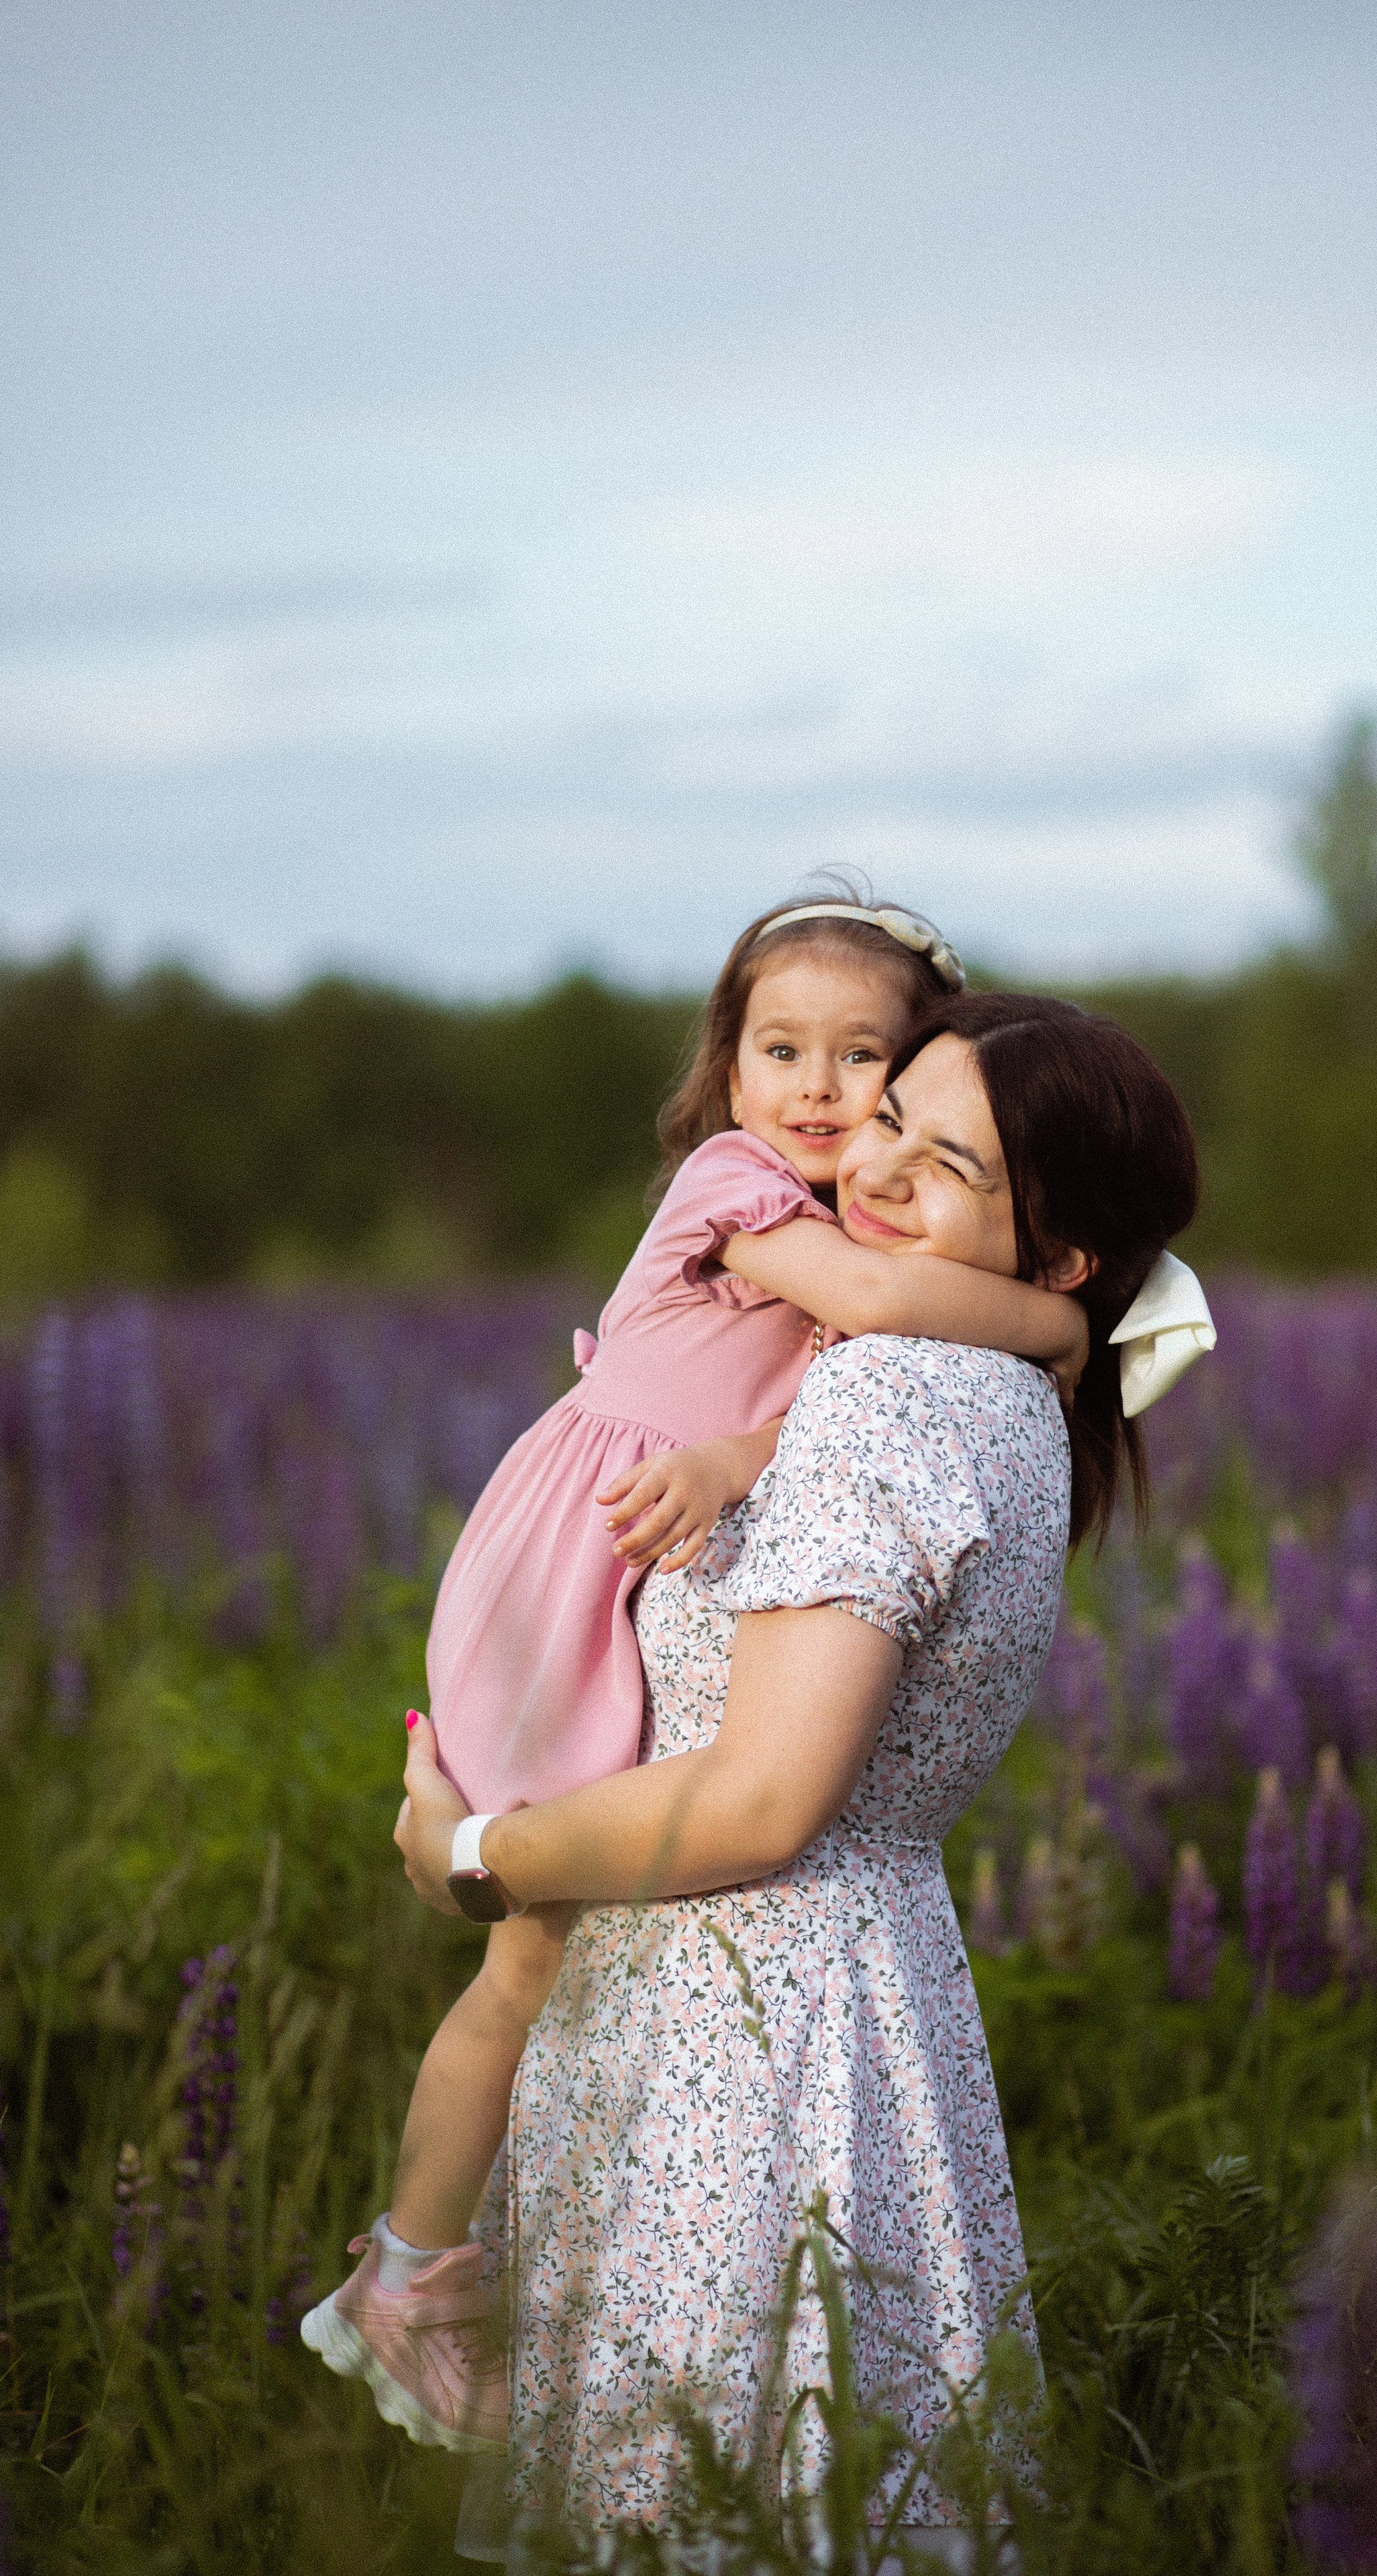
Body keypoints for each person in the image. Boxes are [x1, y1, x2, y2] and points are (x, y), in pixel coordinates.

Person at [388, 990, 1209, 2540]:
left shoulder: (887, 1389)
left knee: (708, 2505)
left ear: (1060, 1259)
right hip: (870, 1991)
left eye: (944, 1160)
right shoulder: (1002, 1387)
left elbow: (763, 1802)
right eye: (891, 1113)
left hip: (735, 2032)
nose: (874, 1159)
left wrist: (475, 1851)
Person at [303, 904, 1092, 2446]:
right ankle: (405, 2266)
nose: (813, 1091)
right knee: (527, 1949)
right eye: (774, 1049)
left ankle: (415, 2266)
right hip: (561, 1572)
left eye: (861, 1062)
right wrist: (1058, 1322)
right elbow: (868, 1316)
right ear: (721, 1071)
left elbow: (811, 1421)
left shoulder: (860, 1311)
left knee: (542, 1957)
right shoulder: (735, 1190)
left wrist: (738, 1455)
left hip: (632, 1561)